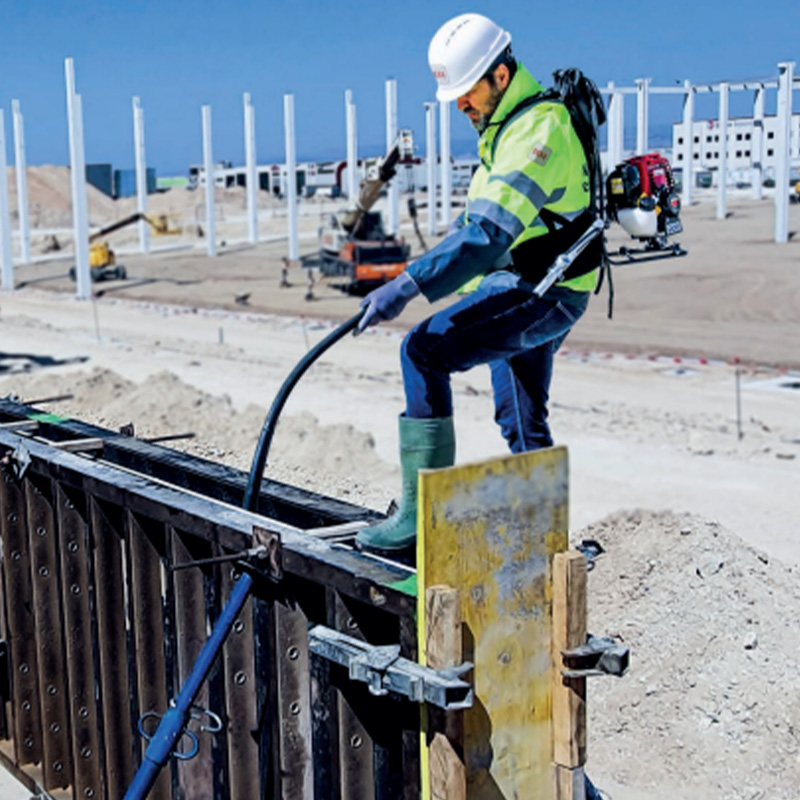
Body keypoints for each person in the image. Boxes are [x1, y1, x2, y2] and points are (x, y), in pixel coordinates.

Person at [356, 12, 602, 557]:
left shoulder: (538, 130)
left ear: (501, 76)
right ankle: (546, 540)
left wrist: (407, 284)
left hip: (544, 290)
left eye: (468, 94)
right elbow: (483, 227)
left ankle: (419, 520)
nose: (462, 106)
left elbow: (489, 234)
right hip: (545, 285)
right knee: (519, 409)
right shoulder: (506, 127)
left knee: (422, 351)